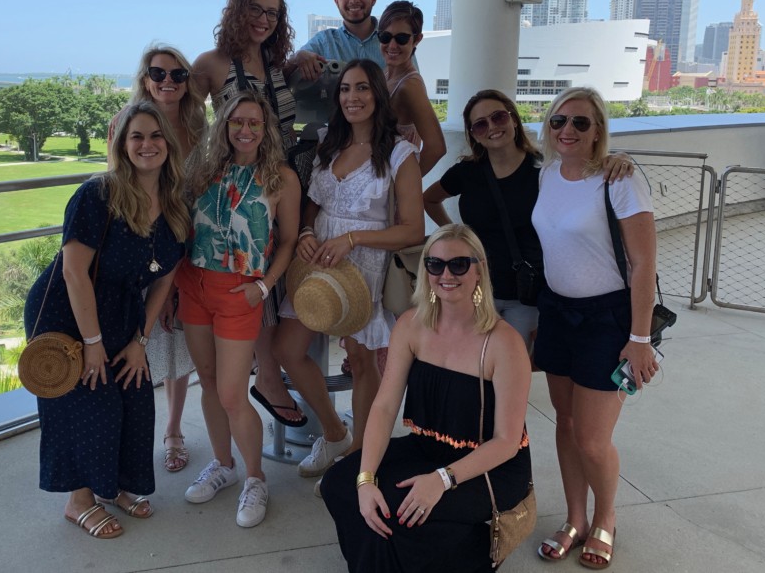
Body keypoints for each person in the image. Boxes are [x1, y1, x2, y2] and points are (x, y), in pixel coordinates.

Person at [320, 224, 533, 573]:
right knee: (339, 485)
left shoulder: (503, 342)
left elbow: (507, 442)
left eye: (459, 265)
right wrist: (366, 478)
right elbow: (385, 405)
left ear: (479, 270)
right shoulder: (411, 325)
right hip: (428, 448)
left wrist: (442, 480)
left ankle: (472, 554)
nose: (446, 274)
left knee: (404, 516)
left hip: (489, 466)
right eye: (435, 265)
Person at [23, 101, 189, 539]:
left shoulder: (174, 204)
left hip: (122, 313)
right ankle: (79, 501)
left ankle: (112, 486)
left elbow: (165, 279)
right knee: (87, 403)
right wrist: (92, 342)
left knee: (132, 399)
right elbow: (74, 272)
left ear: (168, 144)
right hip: (68, 311)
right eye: (136, 136)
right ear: (121, 144)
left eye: (155, 136)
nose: (147, 145)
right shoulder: (99, 195)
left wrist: (141, 339)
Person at [275, 59, 424, 477]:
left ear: (377, 94)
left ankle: (359, 459)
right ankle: (335, 430)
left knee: (361, 362)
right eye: (345, 89)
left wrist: (354, 239)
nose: (352, 97)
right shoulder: (329, 144)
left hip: (365, 265)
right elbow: (314, 202)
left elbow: (413, 229)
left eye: (361, 89)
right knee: (287, 349)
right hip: (318, 261)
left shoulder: (399, 152)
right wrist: (305, 230)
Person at [531, 87, 657, 569]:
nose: (568, 130)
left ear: (598, 130)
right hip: (558, 313)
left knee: (591, 438)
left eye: (581, 123)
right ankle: (575, 518)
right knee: (564, 424)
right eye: (560, 121)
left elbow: (643, 264)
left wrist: (639, 340)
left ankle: (606, 518)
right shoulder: (546, 174)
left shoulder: (620, 180)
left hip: (607, 319)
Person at [175, 90, 301, 528]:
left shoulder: (281, 177)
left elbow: (286, 242)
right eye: (236, 122)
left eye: (253, 123)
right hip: (193, 284)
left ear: (265, 129)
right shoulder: (204, 169)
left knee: (232, 392)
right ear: (224, 125)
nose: (245, 130)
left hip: (241, 294)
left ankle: (255, 477)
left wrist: (264, 288)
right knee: (208, 382)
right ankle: (223, 464)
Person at [424, 89, 633, 351]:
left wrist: (616, 159)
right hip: (475, 287)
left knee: (510, 365)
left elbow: (582, 172)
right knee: (471, 363)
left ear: (513, 119)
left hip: (525, 293)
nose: (491, 127)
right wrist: (455, 235)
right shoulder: (467, 172)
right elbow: (429, 199)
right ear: (473, 134)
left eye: (498, 117)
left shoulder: (544, 170)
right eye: (480, 124)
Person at [192, 0, 306, 428]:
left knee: (282, 280)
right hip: (237, 191)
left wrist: (304, 61)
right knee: (256, 278)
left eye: (272, 13)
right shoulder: (212, 62)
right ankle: (270, 378)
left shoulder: (277, 63)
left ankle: (272, 373)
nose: (264, 20)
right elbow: (179, 116)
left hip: (287, 180)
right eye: (256, 10)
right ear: (238, 12)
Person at [130, 44, 206, 473]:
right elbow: (117, 192)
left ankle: (173, 430)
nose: (168, 82)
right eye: (159, 74)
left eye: (179, 75)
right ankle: (133, 436)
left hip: (186, 248)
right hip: (141, 249)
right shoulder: (125, 125)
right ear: (145, 78)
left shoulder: (199, 128)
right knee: (135, 341)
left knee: (176, 344)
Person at [377, 0, 446, 176]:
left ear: (416, 39)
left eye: (401, 38)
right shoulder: (386, 74)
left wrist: (405, 186)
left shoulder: (410, 85)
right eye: (385, 37)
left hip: (389, 190)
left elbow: (436, 147)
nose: (392, 46)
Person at [288, 0, 386, 79]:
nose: (354, 0)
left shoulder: (394, 41)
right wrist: (297, 57)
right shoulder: (323, 41)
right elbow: (282, 73)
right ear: (336, 1)